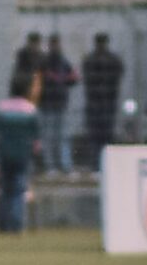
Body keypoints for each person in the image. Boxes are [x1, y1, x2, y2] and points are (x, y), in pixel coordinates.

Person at [0, 72, 41, 234]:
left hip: (4, 154)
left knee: (5, 188)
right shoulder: (30, 110)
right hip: (22, 155)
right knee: (19, 189)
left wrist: (1, 148)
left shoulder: (1, 107)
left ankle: (3, 225)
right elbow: (36, 141)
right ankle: (16, 224)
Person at [82, 32, 124, 170]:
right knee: (102, 135)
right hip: (104, 103)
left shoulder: (91, 59)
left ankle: (98, 163)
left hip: (99, 103)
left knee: (98, 136)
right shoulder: (112, 59)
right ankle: (102, 163)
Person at [38, 34, 78, 174]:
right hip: (47, 104)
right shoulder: (44, 62)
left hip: (60, 104)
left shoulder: (63, 62)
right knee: (48, 136)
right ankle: (50, 166)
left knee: (62, 136)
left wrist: (60, 78)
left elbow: (73, 78)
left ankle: (65, 165)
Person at [12, 32, 44, 104]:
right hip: (23, 85)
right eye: (32, 43)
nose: (33, 47)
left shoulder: (42, 56)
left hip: (36, 88)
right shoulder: (22, 54)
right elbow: (19, 73)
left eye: (36, 44)